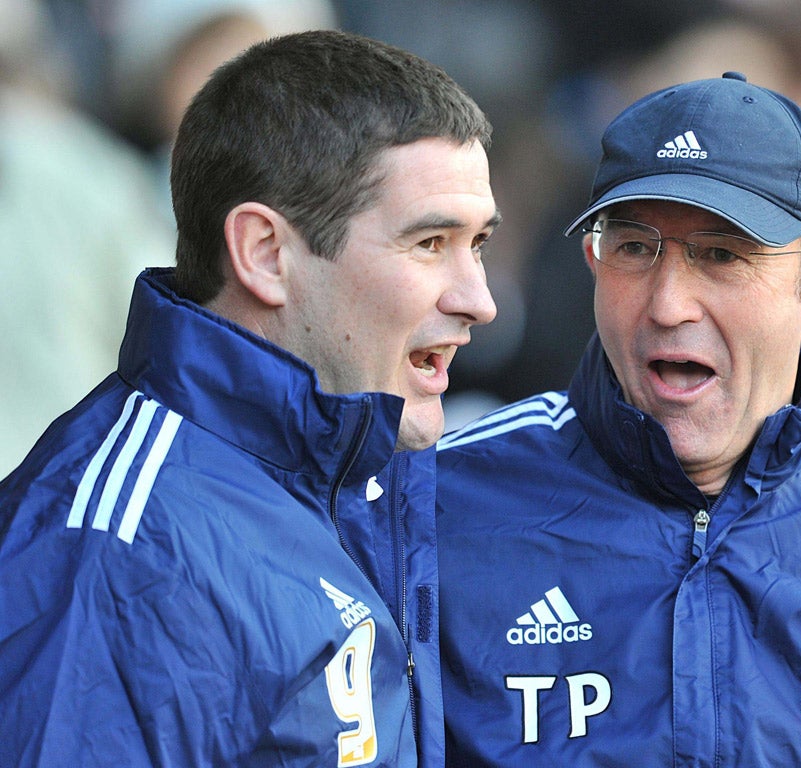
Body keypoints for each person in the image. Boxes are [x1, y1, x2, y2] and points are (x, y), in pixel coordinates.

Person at [434, 72, 801, 766]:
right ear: (593, 263)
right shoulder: (434, 512)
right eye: (634, 248)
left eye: (721, 255)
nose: (668, 304)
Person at [0, 29, 498, 767]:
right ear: (265, 253)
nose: (479, 300)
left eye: (479, 243)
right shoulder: (116, 557)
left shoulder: (355, 475)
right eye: (430, 243)